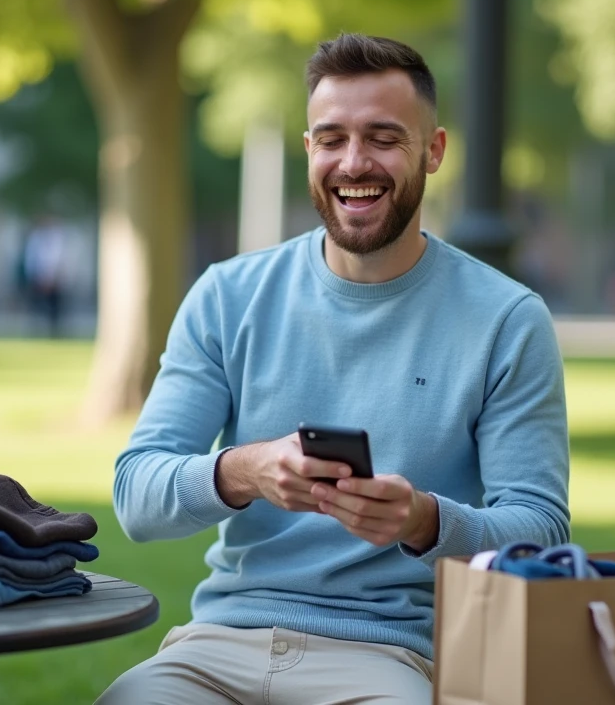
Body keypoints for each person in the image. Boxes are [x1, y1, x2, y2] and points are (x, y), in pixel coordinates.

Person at [97, 34, 570, 704]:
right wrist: (245, 470)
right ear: (308, 149)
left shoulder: (506, 318)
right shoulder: (228, 296)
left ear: (433, 152)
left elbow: (541, 530)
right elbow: (136, 498)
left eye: (383, 138)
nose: (354, 163)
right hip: (217, 648)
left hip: (392, 656)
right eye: (332, 138)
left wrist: (423, 520)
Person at [23, 215, 67, 337]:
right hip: (38, 278)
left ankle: (54, 330)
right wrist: (37, 276)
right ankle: (36, 329)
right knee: (37, 305)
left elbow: (59, 258)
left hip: (54, 279)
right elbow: (31, 259)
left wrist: (52, 277)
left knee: (54, 307)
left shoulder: (57, 237)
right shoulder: (36, 238)